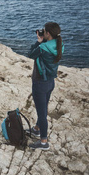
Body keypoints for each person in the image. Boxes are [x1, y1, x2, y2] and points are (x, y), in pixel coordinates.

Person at [27, 22, 64, 150]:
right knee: (43, 108)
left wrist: (39, 41)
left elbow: (31, 54)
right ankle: (37, 129)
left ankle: (43, 142)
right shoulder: (59, 45)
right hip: (50, 82)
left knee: (42, 114)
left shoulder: (43, 47)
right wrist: (44, 41)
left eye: (44, 31)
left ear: (47, 33)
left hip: (40, 83)